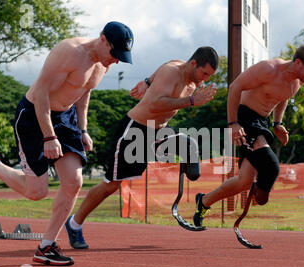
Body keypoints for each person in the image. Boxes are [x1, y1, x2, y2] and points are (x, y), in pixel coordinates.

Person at [0, 21, 134, 265]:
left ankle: (46, 246)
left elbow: (84, 93)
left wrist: (83, 129)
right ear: (102, 40)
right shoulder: (69, 52)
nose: (116, 61)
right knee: (37, 192)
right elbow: (43, 93)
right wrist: (49, 136)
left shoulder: (103, 64)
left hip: (66, 118)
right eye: (115, 54)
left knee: (74, 181)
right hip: (34, 115)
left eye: (121, 57)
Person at [64, 46, 219, 249]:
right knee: (111, 185)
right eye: (204, 73)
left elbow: (166, 62)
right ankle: (74, 223)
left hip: (158, 133)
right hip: (134, 130)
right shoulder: (172, 73)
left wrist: (147, 81)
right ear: (192, 64)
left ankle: (187, 156)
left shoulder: (185, 76)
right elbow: (155, 104)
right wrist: (190, 101)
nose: (204, 80)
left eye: (209, 76)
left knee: (188, 144)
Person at [193, 44, 304, 227]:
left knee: (244, 181)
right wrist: (233, 123)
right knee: (271, 167)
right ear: (298, 62)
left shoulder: (297, 82)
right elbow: (234, 87)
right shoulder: (268, 69)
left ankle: (204, 201)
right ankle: (259, 196)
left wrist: (278, 124)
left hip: (262, 122)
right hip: (245, 117)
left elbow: (283, 98)